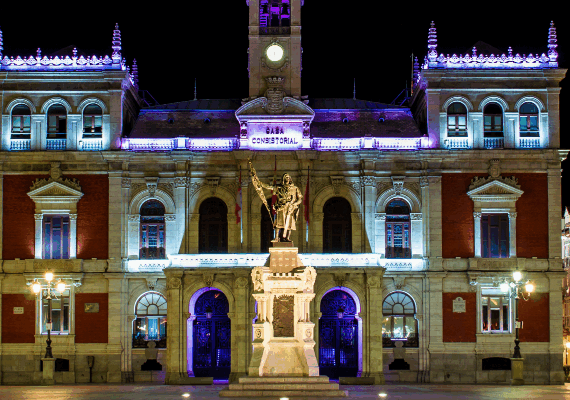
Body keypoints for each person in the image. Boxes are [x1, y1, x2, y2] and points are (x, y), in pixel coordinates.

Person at [258, 173, 303, 242]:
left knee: (289, 224)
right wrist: (259, 183)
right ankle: (276, 238)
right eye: (285, 177)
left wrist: (294, 204)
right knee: (278, 223)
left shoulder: (295, 188)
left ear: (290, 179)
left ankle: (287, 238)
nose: (287, 179)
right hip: (281, 207)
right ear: (283, 179)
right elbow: (269, 187)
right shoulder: (279, 187)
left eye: (288, 177)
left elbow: (300, 198)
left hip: (290, 208)